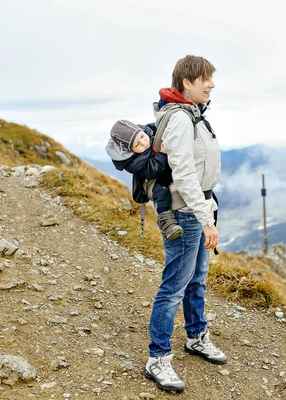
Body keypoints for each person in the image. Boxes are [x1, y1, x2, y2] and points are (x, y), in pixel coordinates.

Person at [144, 55, 225, 392]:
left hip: (198, 208)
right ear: (186, 83)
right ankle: (157, 358)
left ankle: (195, 336)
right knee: (175, 285)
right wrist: (206, 220)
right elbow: (184, 173)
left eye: (211, 78)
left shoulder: (193, 115)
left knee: (197, 280)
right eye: (205, 78)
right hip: (186, 214)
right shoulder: (180, 118)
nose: (211, 84)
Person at [105, 120, 184, 240]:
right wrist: (162, 154)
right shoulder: (133, 163)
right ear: (129, 150)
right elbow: (151, 170)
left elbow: (161, 124)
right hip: (156, 178)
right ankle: (167, 222)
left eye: (142, 136)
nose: (143, 142)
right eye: (137, 145)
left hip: (170, 170)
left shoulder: (150, 130)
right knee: (161, 191)